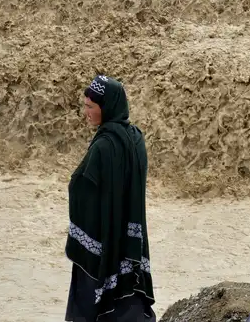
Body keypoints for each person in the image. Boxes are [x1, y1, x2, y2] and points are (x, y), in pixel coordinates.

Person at [66, 75, 156, 322]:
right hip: (130, 238)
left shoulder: (104, 145)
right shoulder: (136, 138)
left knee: (93, 299)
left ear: (106, 108)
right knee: (129, 297)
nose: (86, 112)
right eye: (85, 106)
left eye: (90, 107)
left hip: (103, 237)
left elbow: (81, 185)